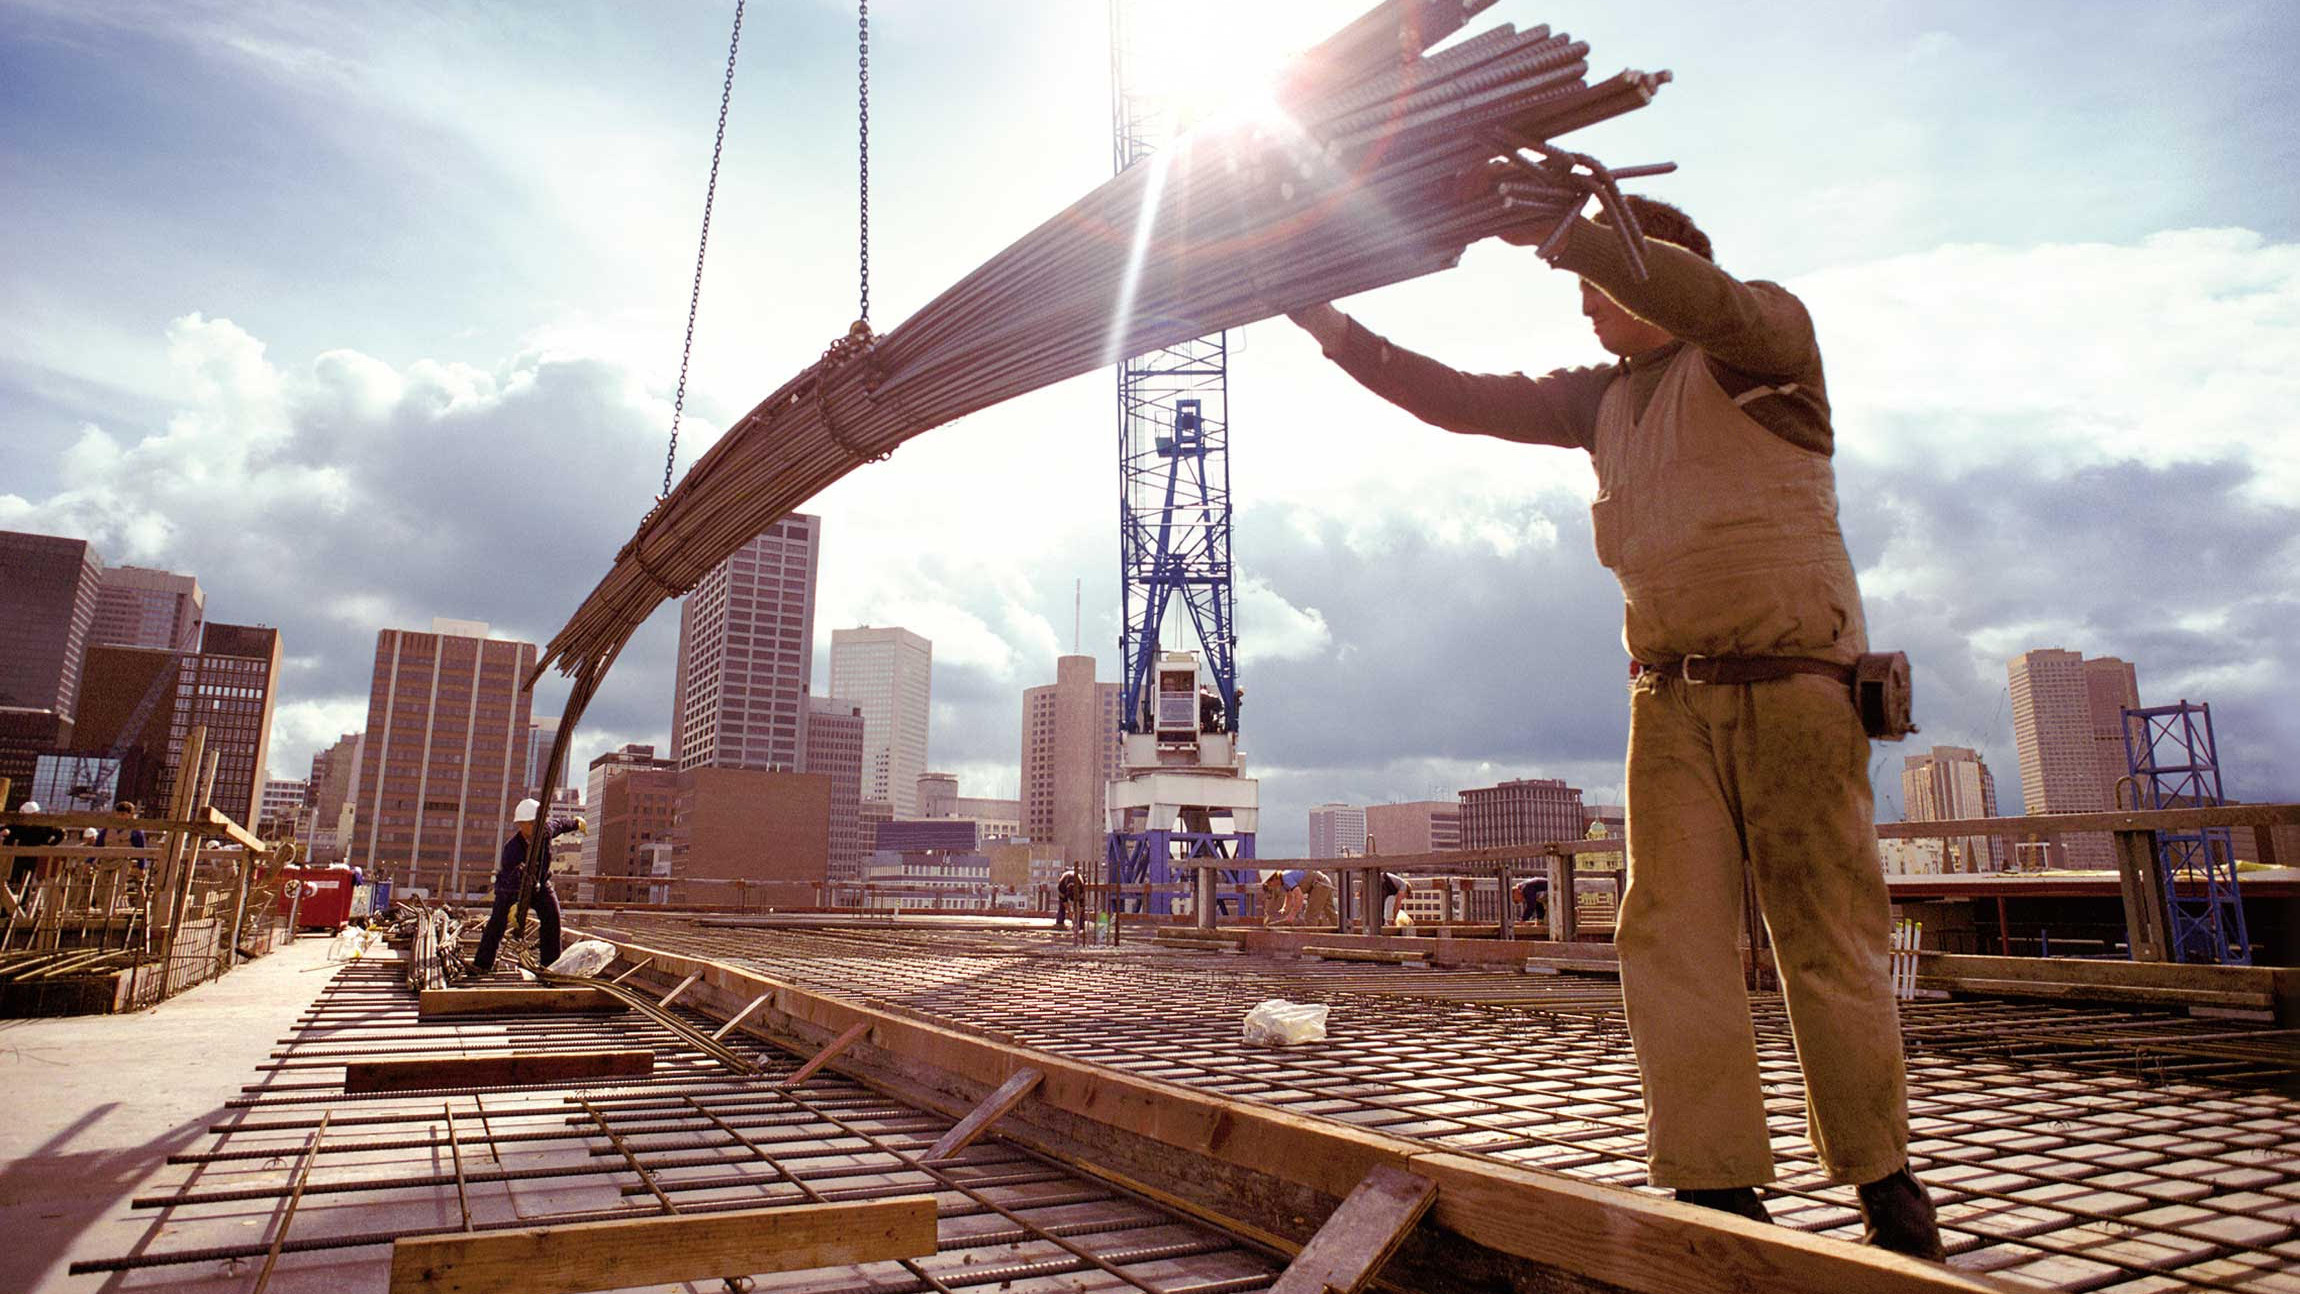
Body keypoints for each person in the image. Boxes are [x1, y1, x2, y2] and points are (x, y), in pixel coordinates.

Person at [1287, 194, 1941, 1259]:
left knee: (1824, 935)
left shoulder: (1759, 343)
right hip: (1667, 699)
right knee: (1666, 935)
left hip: (1792, 687)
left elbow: (1701, 299)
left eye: (1600, 284)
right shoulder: (1603, 400)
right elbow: (1455, 398)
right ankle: (1715, 1182)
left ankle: (1883, 1183)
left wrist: (1563, 230)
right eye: (1581, 288)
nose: (1585, 306)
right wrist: (1331, 328)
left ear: (1657, 271)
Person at [471, 798, 585, 973]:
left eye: (537, 823)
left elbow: (560, 824)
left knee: (552, 917)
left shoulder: (545, 831)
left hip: (540, 883)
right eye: (531, 823)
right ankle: (482, 964)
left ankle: (550, 965)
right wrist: (517, 904)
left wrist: (576, 823)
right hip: (511, 889)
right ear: (521, 825)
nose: (535, 827)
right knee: (497, 922)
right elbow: (511, 877)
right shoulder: (512, 849)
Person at [1262, 869, 1335, 927]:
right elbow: (1289, 896)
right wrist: (1284, 908)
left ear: (1274, 878)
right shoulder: (1283, 883)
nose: (1271, 886)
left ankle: (1310, 940)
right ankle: (1344, 931)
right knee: (1330, 911)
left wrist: (1292, 915)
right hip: (1323, 882)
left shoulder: (1285, 878)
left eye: (1269, 884)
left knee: (1310, 916)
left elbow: (1299, 897)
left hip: (1319, 883)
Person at [1053, 865, 1085, 931]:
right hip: (1064, 880)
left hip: (1078, 886)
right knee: (1062, 905)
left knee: (1081, 910)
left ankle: (1080, 926)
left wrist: (1076, 915)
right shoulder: (1062, 885)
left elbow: (1081, 904)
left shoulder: (1081, 886)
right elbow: (1064, 901)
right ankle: (1060, 923)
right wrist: (1070, 912)